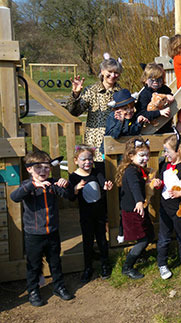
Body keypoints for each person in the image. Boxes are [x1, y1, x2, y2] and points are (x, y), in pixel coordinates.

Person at [11, 151, 74, 307]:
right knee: (34, 264)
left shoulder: (52, 184)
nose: (43, 171)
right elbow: (14, 197)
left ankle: (58, 287)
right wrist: (34, 185)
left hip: (52, 232)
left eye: (46, 167)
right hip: (34, 234)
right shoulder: (27, 186)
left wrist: (66, 186)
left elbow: (69, 196)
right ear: (29, 169)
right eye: (38, 167)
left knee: (55, 261)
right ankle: (33, 291)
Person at [66, 53, 123, 174]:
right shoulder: (91, 91)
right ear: (102, 71)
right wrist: (75, 94)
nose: (113, 75)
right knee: (98, 177)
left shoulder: (121, 92)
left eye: (116, 72)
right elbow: (74, 111)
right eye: (110, 72)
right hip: (95, 144)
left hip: (116, 141)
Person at [152, 130, 181, 279]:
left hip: (180, 211)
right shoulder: (165, 166)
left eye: (167, 151)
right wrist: (158, 184)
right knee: (164, 238)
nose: (165, 154)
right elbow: (163, 185)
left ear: (178, 151)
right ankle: (162, 264)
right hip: (165, 210)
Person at [69, 145, 113, 283]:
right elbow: (71, 197)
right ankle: (88, 267)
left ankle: (105, 264)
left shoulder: (96, 172)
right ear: (76, 161)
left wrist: (106, 186)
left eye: (90, 159)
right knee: (87, 241)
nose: (87, 162)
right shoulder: (74, 177)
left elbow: (102, 185)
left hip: (99, 213)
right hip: (86, 215)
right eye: (83, 159)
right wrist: (76, 188)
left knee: (101, 239)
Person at [115, 137, 155, 279]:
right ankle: (127, 267)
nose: (146, 158)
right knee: (143, 239)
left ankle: (140, 255)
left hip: (138, 209)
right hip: (133, 210)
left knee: (149, 234)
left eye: (147, 155)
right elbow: (134, 186)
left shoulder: (137, 169)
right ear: (131, 156)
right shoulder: (131, 171)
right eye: (142, 155)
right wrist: (139, 201)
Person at [101, 88, 149, 154]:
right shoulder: (113, 117)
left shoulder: (132, 116)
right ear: (117, 110)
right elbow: (114, 135)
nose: (129, 111)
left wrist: (138, 123)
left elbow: (132, 132)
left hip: (125, 149)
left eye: (131, 108)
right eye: (125, 109)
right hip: (110, 149)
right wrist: (120, 122)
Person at [136, 63, 173, 134]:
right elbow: (141, 112)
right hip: (151, 129)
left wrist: (169, 96)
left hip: (166, 126)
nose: (155, 82)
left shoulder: (164, 89)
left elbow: (170, 94)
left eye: (159, 79)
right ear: (145, 80)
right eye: (152, 79)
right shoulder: (144, 95)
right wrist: (159, 113)